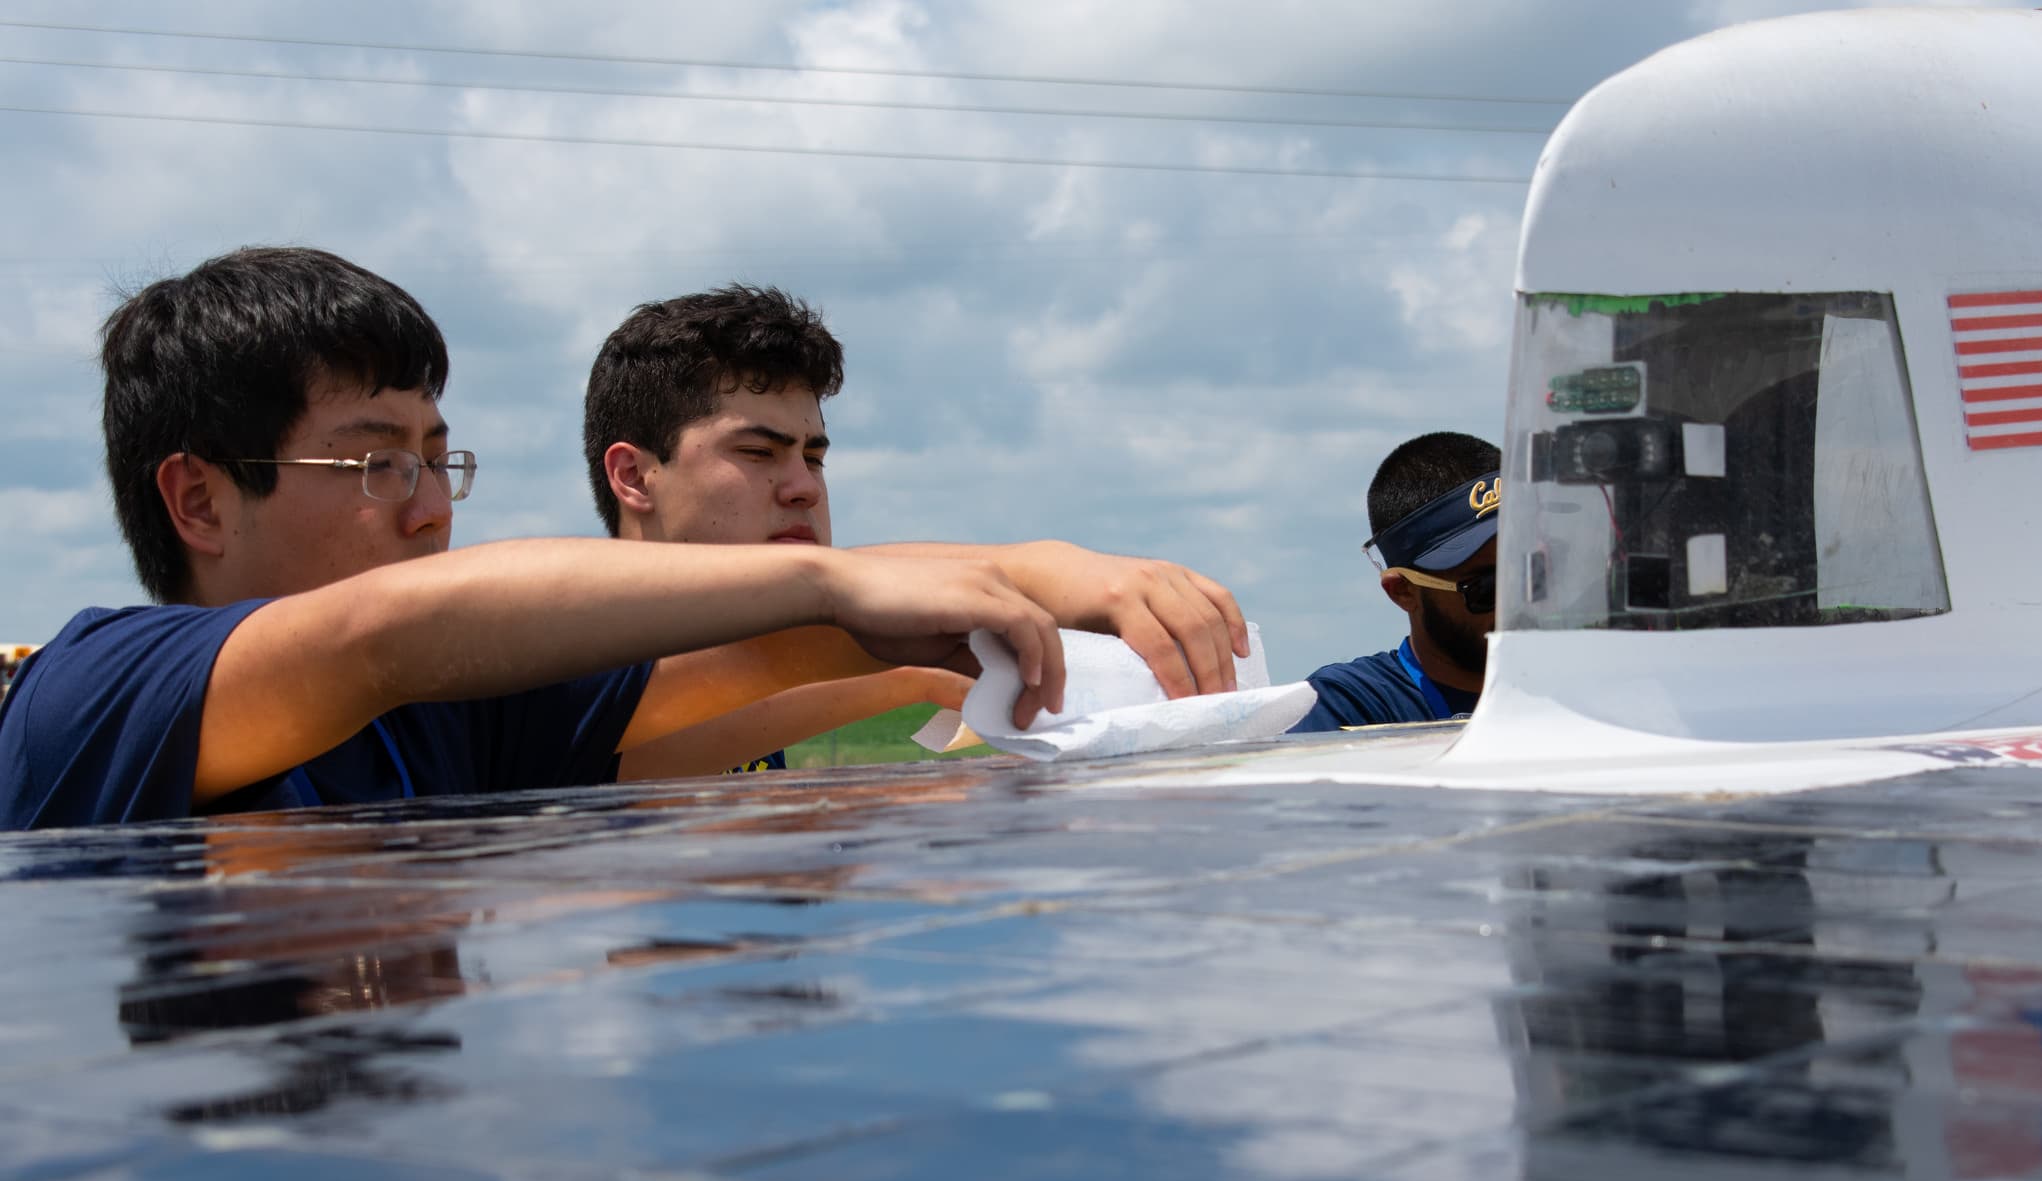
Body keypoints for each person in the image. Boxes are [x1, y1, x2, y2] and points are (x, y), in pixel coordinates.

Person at [0, 247, 1096, 832]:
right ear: (197, 501)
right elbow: (389, 630)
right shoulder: (98, 691)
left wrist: (1017, 598)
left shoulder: (431, 725)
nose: (430, 507)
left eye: (438, 459)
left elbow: (751, 665)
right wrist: (834, 581)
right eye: (376, 462)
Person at [582, 284, 1249, 777]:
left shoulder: (741, 667)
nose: (805, 486)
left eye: (814, 456)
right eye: (759, 452)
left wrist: (913, 678)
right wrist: (1037, 568)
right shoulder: (564, 673)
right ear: (635, 477)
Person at [1292, 432, 1500, 730]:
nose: (1520, 600)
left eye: (1537, 573)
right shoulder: (1350, 708)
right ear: (1402, 591)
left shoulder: (1580, 688)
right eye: (1487, 588)